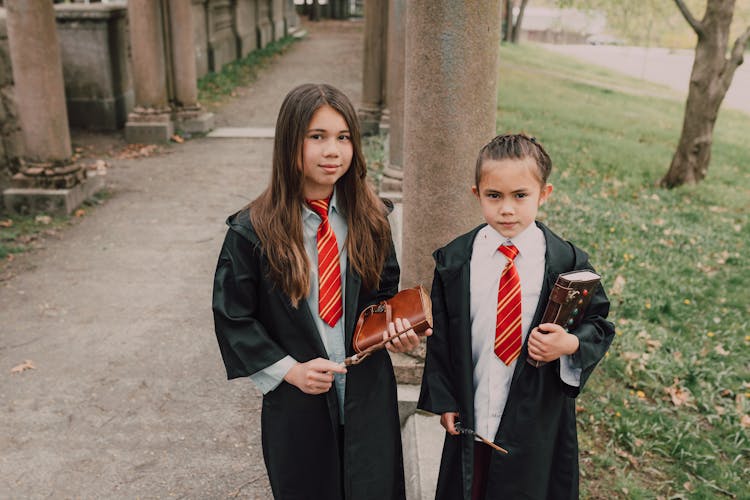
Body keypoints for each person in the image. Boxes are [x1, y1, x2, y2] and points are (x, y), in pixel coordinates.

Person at [212, 83, 428, 500]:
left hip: (367, 393)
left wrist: (394, 332)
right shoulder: (252, 231)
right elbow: (233, 316)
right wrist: (288, 370)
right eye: (318, 137)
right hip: (298, 400)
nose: (333, 150)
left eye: (343, 137)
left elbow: (383, 294)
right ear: (290, 143)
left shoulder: (371, 218)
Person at [418, 133, 615, 499]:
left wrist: (569, 343)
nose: (507, 209)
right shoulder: (456, 261)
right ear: (477, 194)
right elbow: (442, 335)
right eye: (494, 196)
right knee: (469, 487)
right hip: (473, 408)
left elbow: (599, 324)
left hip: (536, 418)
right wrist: (444, 398)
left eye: (520, 195)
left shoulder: (566, 263)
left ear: (545, 194)